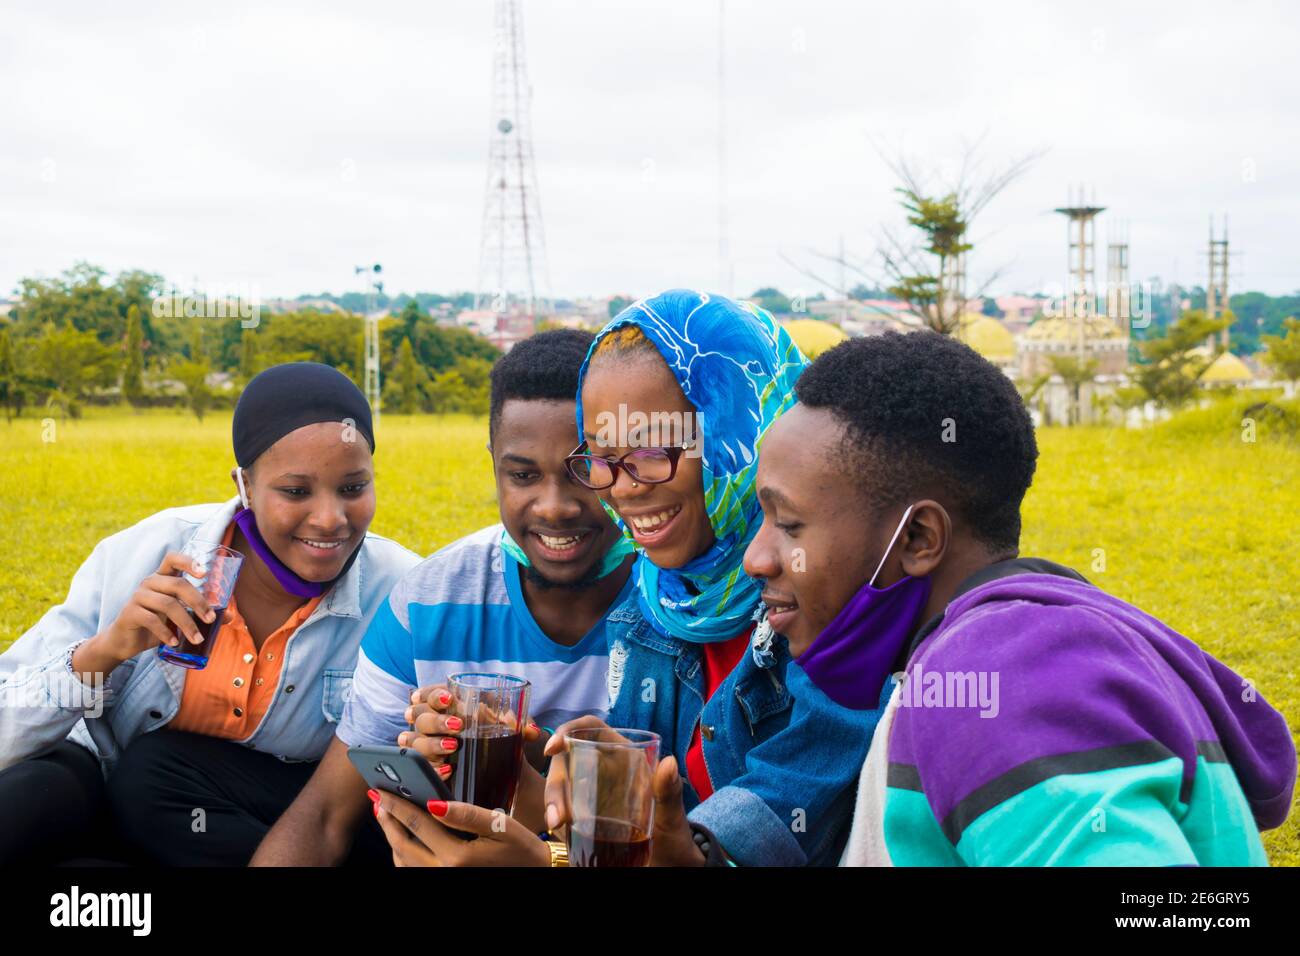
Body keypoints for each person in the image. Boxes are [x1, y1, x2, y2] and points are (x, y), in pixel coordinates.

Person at [738, 330, 1296, 865]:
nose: (755, 559)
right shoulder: (997, 653)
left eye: (789, 523)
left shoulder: (991, 679)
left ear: (917, 538)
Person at [372, 290, 887, 867]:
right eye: (600, 457)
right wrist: (523, 783)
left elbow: (757, 841)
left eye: (650, 451)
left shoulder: (838, 609)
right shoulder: (654, 605)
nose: (622, 487)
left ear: (738, 432)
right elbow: (639, 839)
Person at [0, 362, 419, 866]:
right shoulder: (147, 550)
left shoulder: (400, 590)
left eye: (352, 488)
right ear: (244, 484)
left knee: (150, 777)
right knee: (32, 796)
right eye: (295, 491)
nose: (329, 518)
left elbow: (412, 773)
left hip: (264, 817)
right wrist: (106, 650)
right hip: (117, 795)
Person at [251, 330, 637, 865]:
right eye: (522, 475)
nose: (554, 507)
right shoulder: (427, 603)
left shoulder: (679, 607)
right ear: (494, 462)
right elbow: (324, 816)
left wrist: (546, 849)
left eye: (584, 469)